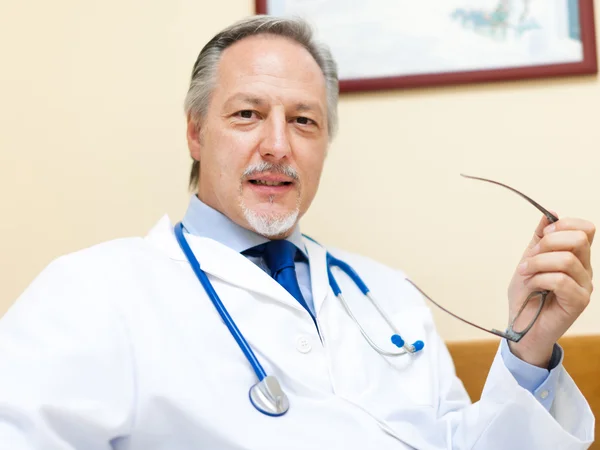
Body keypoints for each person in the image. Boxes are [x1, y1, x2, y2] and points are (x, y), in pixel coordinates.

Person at [0, 15, 595, 450]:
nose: (278, 146)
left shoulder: (388, 296)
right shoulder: (93, 291)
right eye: (247, 114)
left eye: (304, 121)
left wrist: (528, 347)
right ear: (194, 134)